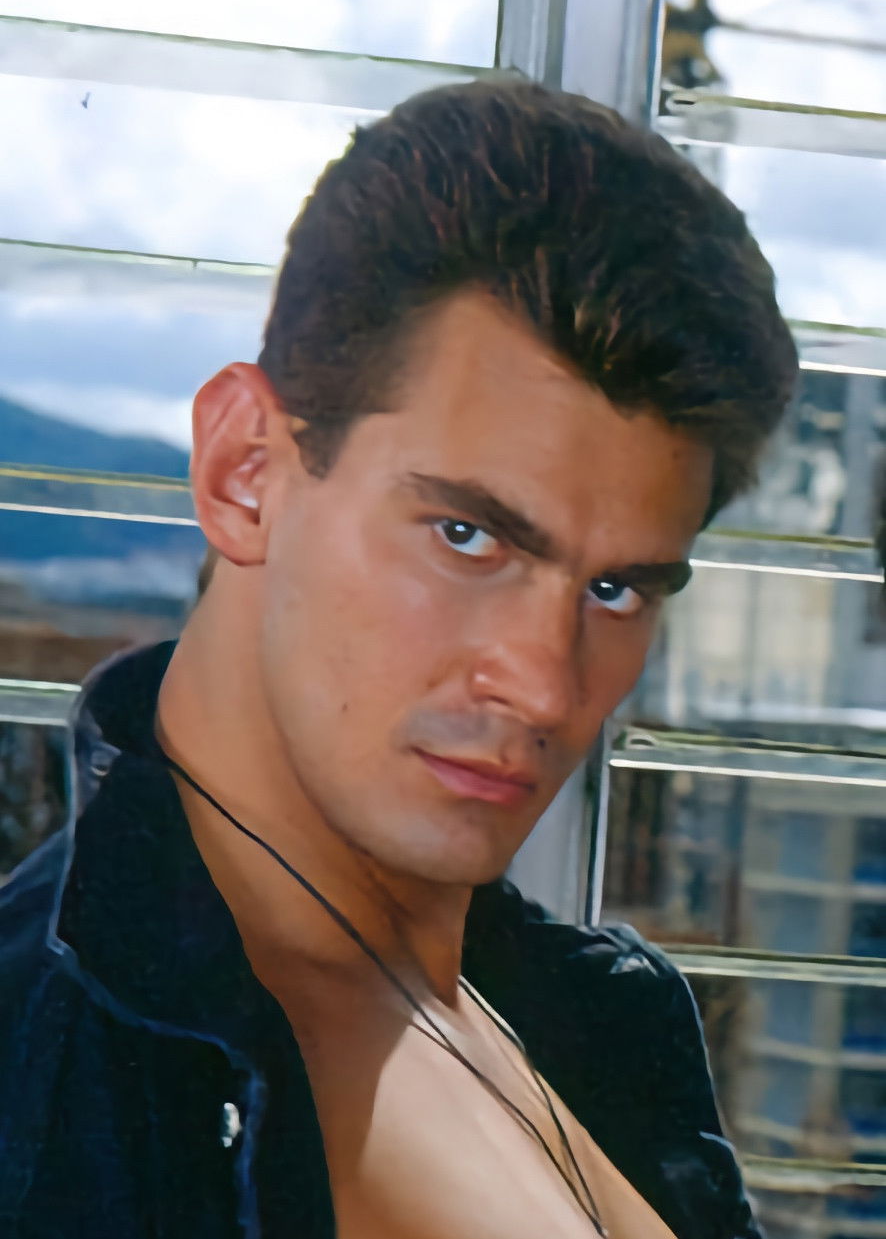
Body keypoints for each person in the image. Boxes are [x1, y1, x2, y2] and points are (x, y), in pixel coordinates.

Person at [0, 80, 797, 1238]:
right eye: (466, 536)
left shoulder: (592, 1021)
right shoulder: (46, 1101)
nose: (544, 685)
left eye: (614, 589)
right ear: (244, 473)